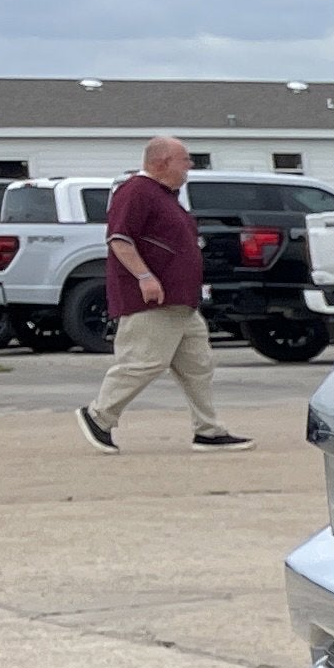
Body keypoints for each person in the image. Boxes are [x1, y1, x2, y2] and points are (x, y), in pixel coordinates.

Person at [77, 135, 242, 451]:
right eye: (185, 159)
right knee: (143, 362)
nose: (189, 166)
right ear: (162, 162)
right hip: (152, 301)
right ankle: (98, 416)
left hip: (181, 302)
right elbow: (119, 239)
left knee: (198, 365)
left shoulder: (166, 196)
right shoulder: (135, 191)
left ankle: (208, 431)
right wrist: (144, 276)